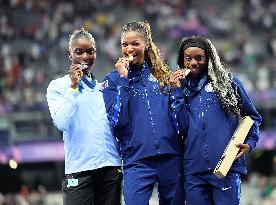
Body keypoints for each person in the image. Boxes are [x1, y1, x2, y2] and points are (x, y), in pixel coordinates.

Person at [169, 36, 262, 205]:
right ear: (181, 60)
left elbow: (252, 117)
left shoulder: (229, 83)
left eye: (199, 58)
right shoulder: (179, 89)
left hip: (226, 167)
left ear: (209, 58)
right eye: (188, 58)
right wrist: (177, 93)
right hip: (193, 171)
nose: (193, 63)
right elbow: (181, 128)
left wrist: (250, 143)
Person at [102, 21, 185, 205]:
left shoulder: (161, 75)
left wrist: (177, 92)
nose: (129, 49)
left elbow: (179, 120)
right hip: (136, 162)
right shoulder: (113, 80)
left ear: (146, 44)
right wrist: (124, 81)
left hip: (170, 157)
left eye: (135, 44)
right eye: (125, 44)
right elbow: (117, 120)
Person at [46, 28, 122, 205]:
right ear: (69, 54)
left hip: (110, 168)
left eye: (90, 51)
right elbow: (62, 122)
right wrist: (73, 87)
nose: (85, 57)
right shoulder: (58, 86)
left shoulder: (102, 88)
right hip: (79, 171)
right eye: (79, 52)